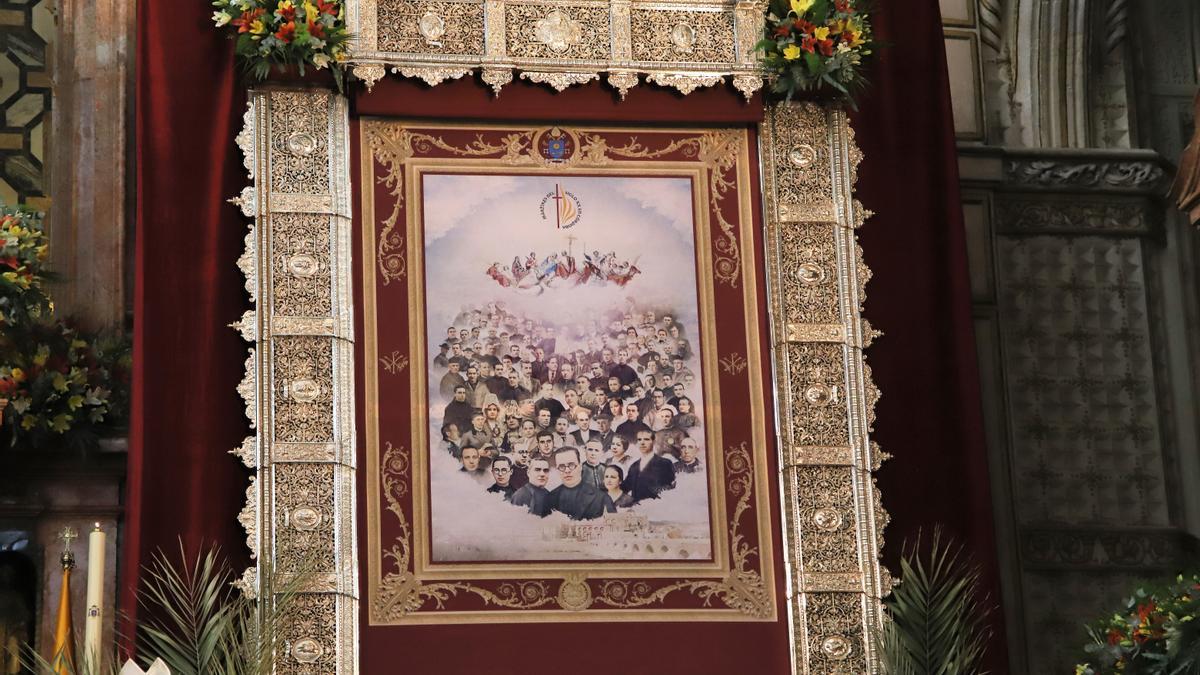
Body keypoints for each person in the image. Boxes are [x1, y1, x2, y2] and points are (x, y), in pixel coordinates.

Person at [549, 447, 606, 520]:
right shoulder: (549, 498)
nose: (567, 471)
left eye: (571, 465)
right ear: (557, 469)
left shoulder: (600, 498)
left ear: (580, 466)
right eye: (561, 466)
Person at [622, 430, 676, 502]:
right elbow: (625, 487)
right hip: (636, 509)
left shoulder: (665, 463)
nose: (642, 443)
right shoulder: (634, 466)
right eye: (639, 440)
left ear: (653, 442)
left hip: (657, 507)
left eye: (646, 439)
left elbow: (670, 489)